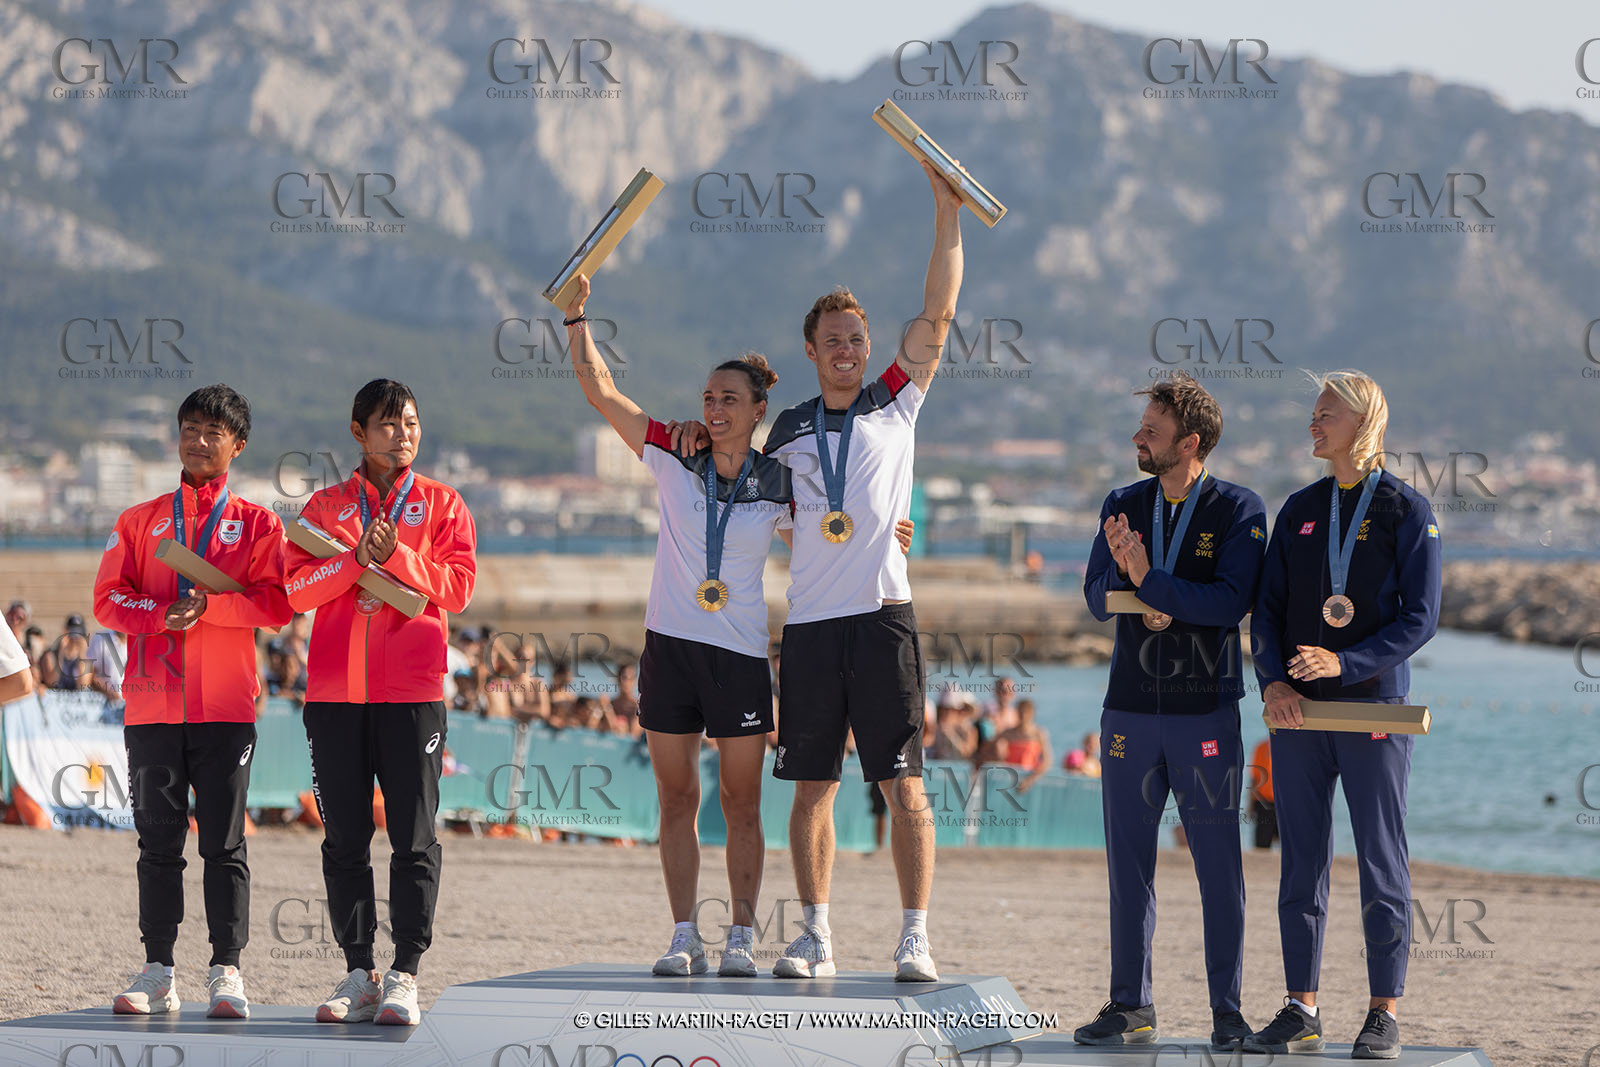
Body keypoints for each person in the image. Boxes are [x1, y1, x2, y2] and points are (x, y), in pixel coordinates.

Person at [675, 159, 963, 981]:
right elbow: (734, 468)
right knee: (810, 789)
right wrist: (699, 434)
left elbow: (938, 309)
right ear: (811, 350)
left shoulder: (896, 399)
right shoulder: (787, 431)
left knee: (905, 787)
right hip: (806, 628)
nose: (848, 349)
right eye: (833, 340)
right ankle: (816, 933)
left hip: (882, 615)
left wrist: (947, 218)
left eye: (858, 340)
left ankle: (914, 935)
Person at [1243, 371, 1441, 1061]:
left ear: (1363, 422)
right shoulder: (1298, 507)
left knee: (1382, 859)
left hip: (1372, 711)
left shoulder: (1407, 511)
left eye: (1324, 414)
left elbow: (1422, 618)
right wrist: (1271, 683)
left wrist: (1344, 664)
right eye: (1313, 413)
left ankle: (1384, 1010)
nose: (1312, 424)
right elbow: (1264, 610)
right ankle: (1302, 1005)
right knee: (1300, 860)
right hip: (1297, 714)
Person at [1078, 372, 1268, 1050]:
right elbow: (1098, 594)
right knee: (1127, 866)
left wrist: (1151, 581)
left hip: (1206, 712)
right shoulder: (1124, 500)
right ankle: (1131, 1004)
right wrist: (1136, 580)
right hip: (1128, 708)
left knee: (1219, 867)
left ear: (1188, 442)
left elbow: (1229, 602)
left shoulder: (1239, 509)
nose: (1137, 438)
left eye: (1151, 432)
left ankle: (1227, 1012)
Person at [92, 384, 292, 1020]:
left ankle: (227, 970)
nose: (199, 441)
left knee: (224, 845)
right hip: (151, 706)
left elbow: (277, 605)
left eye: (214, 431)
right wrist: (158, 613)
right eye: (190, 428)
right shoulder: (139, 520)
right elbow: (106, 601)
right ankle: (158, 969)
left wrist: (212, 605)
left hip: (227, 708)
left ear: (238, 445)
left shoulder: (260, 523)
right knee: (157, 843)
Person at [285, 379, 477, 1026]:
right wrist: (350, 565)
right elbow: (295, 591)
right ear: (357, 432)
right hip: (335, 698)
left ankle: (406, 973)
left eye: (412, 423)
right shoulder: (324, 507)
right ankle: (358, 969)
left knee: (414, 840)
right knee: (344, 839)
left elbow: (457, 589)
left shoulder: (443, 504)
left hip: (413, 698)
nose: (404, 434)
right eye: (389, 424)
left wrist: (396, 555)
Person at [983, 698, 1051, 793]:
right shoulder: (1008, 733)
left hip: (1029, 782)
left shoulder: (1039, 733)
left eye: (1026, 712)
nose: (1023, 715)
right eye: (1021, 712)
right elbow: (987, 749)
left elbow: (1046, 761)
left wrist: (1030, 780)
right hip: (1008, 780)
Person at [1247, 736, 1278, 850]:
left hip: (1283, 802)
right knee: (1262, 843)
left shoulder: (1290, 749)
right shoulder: (1261, 747)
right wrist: (1250, 805)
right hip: (1263, 801)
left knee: (1287, 843)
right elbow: (1254, 778)